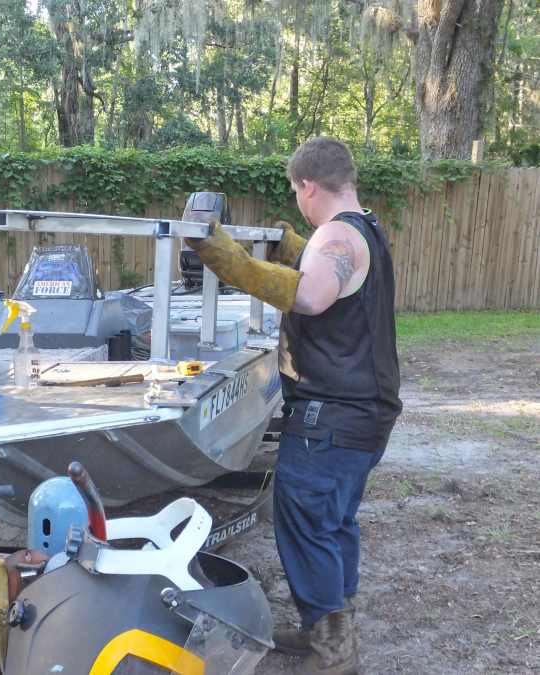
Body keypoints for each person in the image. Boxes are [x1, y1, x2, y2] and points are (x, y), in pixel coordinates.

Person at [185, 137, 401, 675]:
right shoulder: (363, 227)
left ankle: (334, 652)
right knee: (333, 522)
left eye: (295, 191)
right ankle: (327, 629)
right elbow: (335, 274)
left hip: (334, 413)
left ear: (307, 186)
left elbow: (312, 295)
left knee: (306, 520)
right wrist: (291, 248)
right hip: (364, 412)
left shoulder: (337, 236)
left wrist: (230, 261)